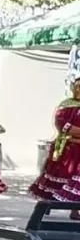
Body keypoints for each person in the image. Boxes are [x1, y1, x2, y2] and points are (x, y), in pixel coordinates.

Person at [30, 74, 80, 216]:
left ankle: (74, 209)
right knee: (59, 177)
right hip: (68, 148)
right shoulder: (66, 105)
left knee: (77, 181)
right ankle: (46, 205)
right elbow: (63, 125)